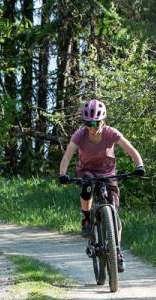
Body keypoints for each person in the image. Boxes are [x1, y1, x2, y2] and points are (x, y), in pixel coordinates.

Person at [58, 99, 144, 272]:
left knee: (115, 215)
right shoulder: (80, 135)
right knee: (87, 185)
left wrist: (139, 165)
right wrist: (62, 173)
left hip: (108, 173)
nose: (92, 127)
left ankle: (117, 252)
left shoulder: (111, 133)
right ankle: (86, 218)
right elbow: (67, 155)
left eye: (96, 123)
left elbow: (130, 149)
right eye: (88, 123)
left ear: (102, 121)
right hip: (87, 171)